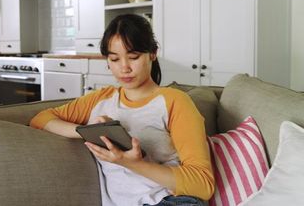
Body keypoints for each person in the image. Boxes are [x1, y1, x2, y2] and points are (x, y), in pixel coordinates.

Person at [30, 14, 214, 206]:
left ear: (152, 53)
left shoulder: (174, 101)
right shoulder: (100, 100)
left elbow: (203, 184)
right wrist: (87, 130)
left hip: (170, 201)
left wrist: (133, 163)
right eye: (115, 59)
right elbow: (41, 119)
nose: (124, 68)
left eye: (133, 57)